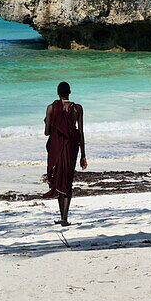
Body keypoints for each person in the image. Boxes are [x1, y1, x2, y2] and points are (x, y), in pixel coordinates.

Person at [43, 81, 87, 226]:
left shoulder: (51, 108)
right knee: (67, 179)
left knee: (57, 178)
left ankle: (63, 217)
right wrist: (83, 155)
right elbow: (80, 132)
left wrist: (47, 122)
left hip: (56, 147)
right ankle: (64, 218)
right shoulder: (77, 108)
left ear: (57, 93)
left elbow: (47, 132)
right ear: (70, 92)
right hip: (71, 147)